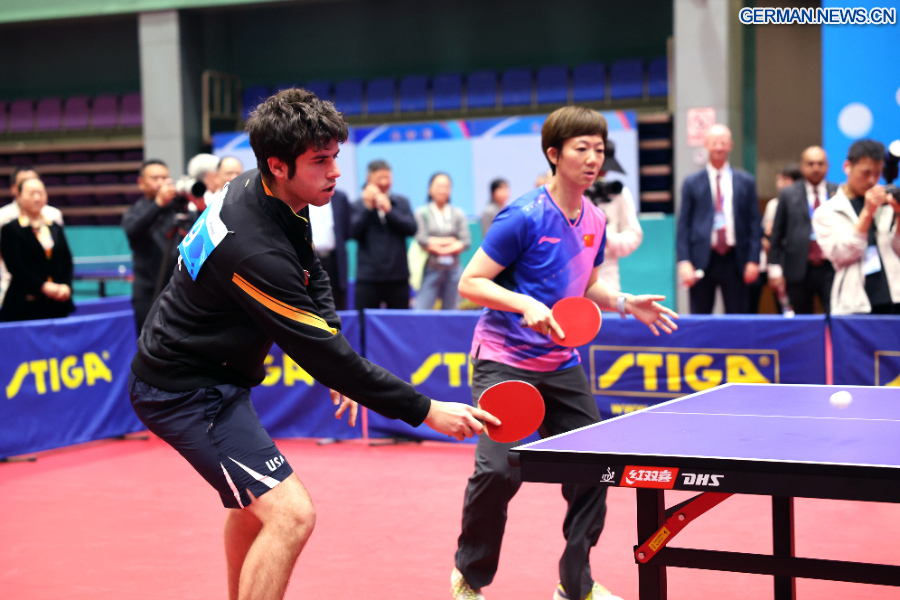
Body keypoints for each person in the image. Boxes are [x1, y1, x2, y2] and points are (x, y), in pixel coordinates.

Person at [128, 88, 498, 600]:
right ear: (278, 165)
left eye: (335, 157)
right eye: (320, 161)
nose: (336, 172)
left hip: (213, 376)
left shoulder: (266, 191)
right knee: (291, 515)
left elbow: (312, 271)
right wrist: (426, 410)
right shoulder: (253, 251)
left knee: (251, 505)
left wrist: (331, 338)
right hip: (183, 391)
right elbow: (320, 355)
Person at [451, 106, 678, 600]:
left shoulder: (595, 219)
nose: (593, 158)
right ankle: (469, 578)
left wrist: (624, 302)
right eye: (582, 148)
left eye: (599, 149)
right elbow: (471, 282)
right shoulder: (522, 216)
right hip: (504, 359)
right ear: (554, 154)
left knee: (594, 467)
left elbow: (587, 285)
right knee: (497, 471)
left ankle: (575, 585)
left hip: (560, 363)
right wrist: (524, 303)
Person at [677, 124, 762, 314]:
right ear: (706, 145)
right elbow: (684, 225)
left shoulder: (745, 181)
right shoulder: (692, 182)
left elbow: (754, 223)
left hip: (735, 259)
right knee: (699, 318)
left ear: (731, 145)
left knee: (738, 317)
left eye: (723, 143)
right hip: (701, 259)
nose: (719, 147)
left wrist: (753, 260)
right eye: (714, 143)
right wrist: (684, 261)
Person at [813, 139, 900, 314]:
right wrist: (867, 213)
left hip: (895, 294)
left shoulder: (887, 204)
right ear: (847, 166)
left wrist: (899, 214)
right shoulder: (827, 211)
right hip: (854, 301)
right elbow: (841, 254)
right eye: (866, 173)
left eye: (877, 173)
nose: (872, 180)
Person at [768, 147, 839, 314]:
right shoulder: (788, 193)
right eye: (810, 164)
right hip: (798, 268)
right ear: (802, 166)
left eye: (820, 163)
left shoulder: (837, 192)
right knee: (802, 321)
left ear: (827, 166)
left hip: (831, 267)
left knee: (836, 317)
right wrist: (774, 268)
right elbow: (777, 234)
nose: (816, 168)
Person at [121, 159, 183, 334]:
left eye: (164, 178)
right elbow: (133, 230)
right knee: (148, 340)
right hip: (147, 292)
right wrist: (158, 204)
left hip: (177, 289)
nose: (161, 182)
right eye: (155, 178)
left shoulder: (179, 209)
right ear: (141, 182)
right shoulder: (135, 211)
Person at [0, 177, 74, 321]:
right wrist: (43, 286)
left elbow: (67, 260)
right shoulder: (10, 230)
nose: (37, 198)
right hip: (24, 305)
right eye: (31, 193)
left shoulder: (55, 227)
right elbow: (15, 267)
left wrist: (66, 286)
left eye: (40, 193)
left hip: (56, 304)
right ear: (19, 196)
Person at [350, 160, 418, 309]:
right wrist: (368, 208)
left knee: (400, 320)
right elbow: (352, 233)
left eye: (387, 177)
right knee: (363, 320)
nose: (384, 182)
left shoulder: (401, 202)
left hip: (398, 277)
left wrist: (390, 211)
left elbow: (412, 228)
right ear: (368, 178)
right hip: (368, 277)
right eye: (379, 178)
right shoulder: (358, 205)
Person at [589, 139, 643, 292]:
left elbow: (634, 235)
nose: (603, 173)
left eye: (605, 169)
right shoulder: (572, 193)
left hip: (608, 278)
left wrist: (606, 240)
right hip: (573, 278)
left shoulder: (618, 193)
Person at [413, 173, 471, 310]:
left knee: (452, 312)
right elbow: (422, 239)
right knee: (422, 311)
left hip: (453, 270)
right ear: (430, 189)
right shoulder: (422, 212)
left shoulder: (458, 213)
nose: (442, 190)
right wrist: (450, 241)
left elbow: (465, 241)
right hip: (431, 268)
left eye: (446, 187)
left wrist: (437, 246)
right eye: (439, 186)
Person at [753, 163, 801, 314]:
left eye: (785, 179)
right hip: (778, 261)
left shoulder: (804, 203)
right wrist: (766, 236)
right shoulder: (773, 205)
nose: (780, 184)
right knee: (783, 306)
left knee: (800, 307)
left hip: (798, 262)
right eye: (778, 180)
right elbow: (766, 234)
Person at [308, 187, 351, 310]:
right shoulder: (298, 197)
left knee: (336, 305)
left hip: (333, 262)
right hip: (307, 260)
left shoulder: (340, 197)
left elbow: (347, 231)